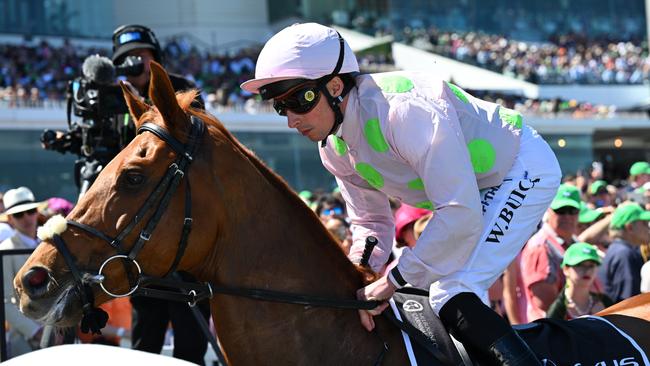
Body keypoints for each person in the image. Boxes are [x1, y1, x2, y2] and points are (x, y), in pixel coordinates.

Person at [241, 22, 561, 365]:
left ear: (335, 86)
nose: (291, 120)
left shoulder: (405, 112)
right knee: (426, 292)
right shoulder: (333, 148)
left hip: (520, 168)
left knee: (451, 290)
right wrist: (359, 278)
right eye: (280, 107)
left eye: (299, 101)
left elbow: (458, 213)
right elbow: (371, 223)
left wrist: (392, 279)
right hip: (474, 190)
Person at [111, 24, 209, 365]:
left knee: (189, 341)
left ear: (156, 58)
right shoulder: (114, 98)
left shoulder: (179, 89)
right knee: (145, 335)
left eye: (140, 56)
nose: (133, 63)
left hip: (182, 238)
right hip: (144, 246)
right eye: (125, 59)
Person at [519, 184, 580, 321]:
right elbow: (545, 305)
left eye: (572, 210)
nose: (567, 216)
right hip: (550, 333)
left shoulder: (575, 242)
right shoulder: (540, 247)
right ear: (549, 210)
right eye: (561, 210)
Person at [0, 187, 43, 358]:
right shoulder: (5, 250)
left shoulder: (50, 244)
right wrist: (35, 332)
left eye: (30, 211)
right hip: (24, 340)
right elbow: (5, 302)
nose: (26, 218)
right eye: (19, 215)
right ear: (10, 219)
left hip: (57, 333)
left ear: (37, 212)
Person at [598, 203, 650, 303]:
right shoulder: (624, 254)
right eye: (644, 223)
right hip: (620, 317)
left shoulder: (618, 250)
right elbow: (628, 303)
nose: (648, 228)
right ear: (629, 227)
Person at [546, 242, 612, 320]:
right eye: (580, 265)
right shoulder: (558, 310)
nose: (587, 270)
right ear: (566, 269)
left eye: (591, 265)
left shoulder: (606, 302)